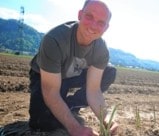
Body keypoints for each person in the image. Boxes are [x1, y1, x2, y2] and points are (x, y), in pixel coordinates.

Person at [28, 0, 118, 135]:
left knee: (109, 71)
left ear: (106, 28)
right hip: (46, 76)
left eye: (101, 23)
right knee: (42, 123)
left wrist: (107, 118)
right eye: (89, 17)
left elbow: (93, 91)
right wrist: (75, 128)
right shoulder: (54, 39)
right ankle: (61, 108)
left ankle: (71, 105)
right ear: (80, 15)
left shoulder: (101, 49)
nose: (93, 26)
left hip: (73, 73)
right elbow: (51, 91)